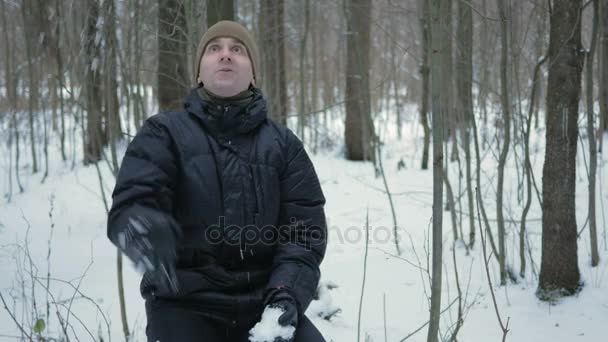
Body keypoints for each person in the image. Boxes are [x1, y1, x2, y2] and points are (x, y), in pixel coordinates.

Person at [107, 20, 327, 342]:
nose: (225, 55)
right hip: (183, 304)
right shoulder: (163, 133)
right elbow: (135, 198)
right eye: (214, 49)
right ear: (199, 73)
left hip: (265, 302)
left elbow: (303, 233)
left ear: (253, 73)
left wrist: (285, 294)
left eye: (237, 49)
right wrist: (144, 227)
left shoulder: (285, 145)